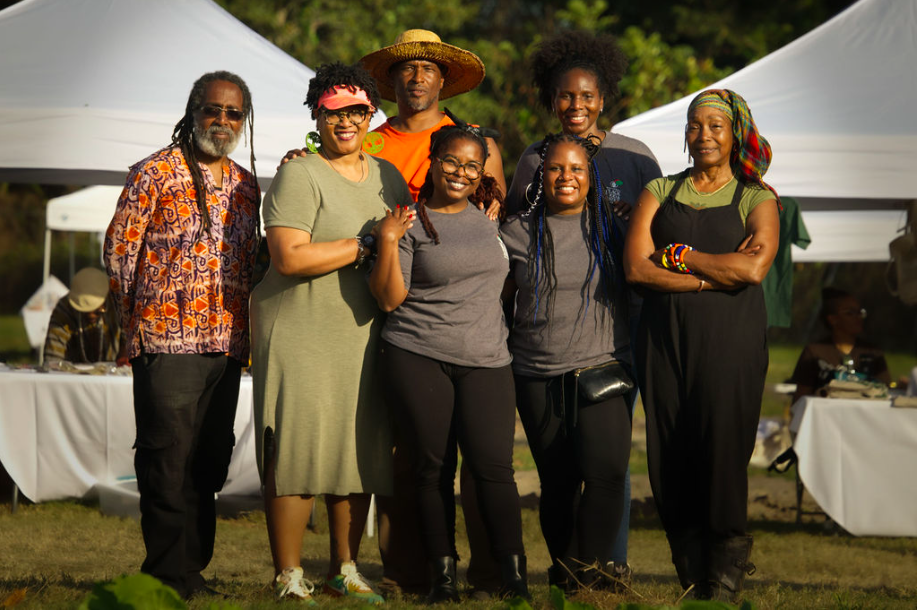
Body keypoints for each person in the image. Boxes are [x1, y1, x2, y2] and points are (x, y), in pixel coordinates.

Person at [250, 62, 412, 604]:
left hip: (362, 330)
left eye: (356, 111)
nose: (346, 121)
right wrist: (365, 245)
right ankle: (288, 573)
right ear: (317, 117)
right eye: (333, 112)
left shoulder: (388, 175)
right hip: (299, 328)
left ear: (371, 115)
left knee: (356, 447)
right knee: (296, 449)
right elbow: (289, 257)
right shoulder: (301, 173)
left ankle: (344, 567)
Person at [504, 30, 662, 581]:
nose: (577, 106)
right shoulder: (533, 158)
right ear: (551, 99)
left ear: (604, 98)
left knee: (606, 463)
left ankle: (607, 567)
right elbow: (511, 235)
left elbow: (664, 227)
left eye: (587, 96)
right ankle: (578, 569)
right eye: (565, 96)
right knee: (564, 472)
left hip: (618, 329)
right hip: (544, 341)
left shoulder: (635, 156)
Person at [104, 70, 260, 599]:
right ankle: (165, 571)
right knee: (166, 458)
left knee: (209, 459)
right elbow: (119, 253)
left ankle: (191, 569)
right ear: (193, 110)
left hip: (225, 343)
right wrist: (143, 323)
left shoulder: (246, 185)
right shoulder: (154, 172)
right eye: (212, 109)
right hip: (167, 341)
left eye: (233, 112)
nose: (222, 120)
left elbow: (252, 261)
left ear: (243, 120)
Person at [623, 89, 780, 602]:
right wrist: (711, 277)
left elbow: (754, 268)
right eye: (695, 125)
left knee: (722, 447)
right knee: (669, 451)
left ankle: (726, 569)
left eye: (716, 125)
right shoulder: (659, 189)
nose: (704, 135)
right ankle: (690, 568)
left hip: (731, 342)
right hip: (663, 341)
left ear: (735, 133)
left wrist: (684, 255)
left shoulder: (757, 197)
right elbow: (636, 268)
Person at [369, 124, 528, 603]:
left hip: (487, 358)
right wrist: (387, 241)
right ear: (433, 162)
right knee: (431, 469)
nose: (460, 172)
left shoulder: (490, 221)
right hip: (419, 354)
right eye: (451, 162)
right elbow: (390, 299)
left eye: (471, 166)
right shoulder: (408, 222)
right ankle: (442, 577)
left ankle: (513, 577)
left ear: (482, 173)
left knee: (494, 469)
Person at [501, 134, 632, 592]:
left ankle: (584, 574)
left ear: (591, 177)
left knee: (607, 473)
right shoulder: (515, 230)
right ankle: (562, 573)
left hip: (602, 365)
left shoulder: (612, 230)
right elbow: (500, 303)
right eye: (556, 168)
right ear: (542, 175)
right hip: (536, 372)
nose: (566, 177)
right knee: (557, 482)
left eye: (577, 169)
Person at [790, 288, 891, 403]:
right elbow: (800, 399)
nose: (858, 317)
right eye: (850, 313)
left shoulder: (872, 352)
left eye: (860, 312)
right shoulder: (814, 352)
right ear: (833, 319)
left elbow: (885, 391)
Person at [43, 267, 121, 366]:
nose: (91, 315)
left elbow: (130, 344)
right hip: (72, 375)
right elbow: (53, 361)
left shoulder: (119, 305)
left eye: (97, 311)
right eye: (84, 311)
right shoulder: (63, 311)